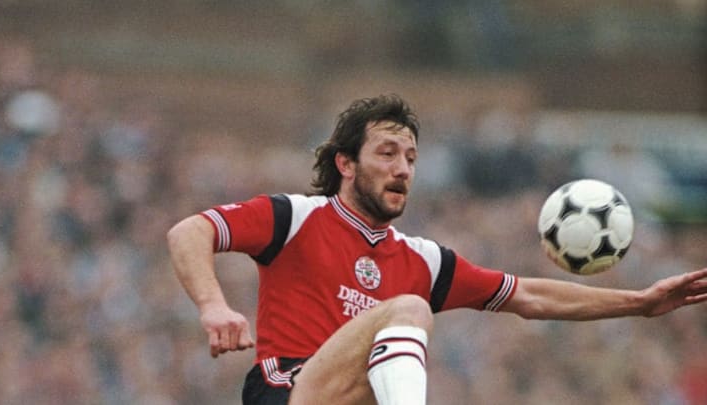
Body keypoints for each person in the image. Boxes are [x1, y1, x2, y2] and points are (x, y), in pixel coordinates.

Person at [167, 94, 707, 405]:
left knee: (409, 311)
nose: (403, 167)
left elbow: (530, 297)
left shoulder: (424, 259)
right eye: (387, 152)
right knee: (410, 310)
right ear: (345, 164)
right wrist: (214, 305)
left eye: (411, 156)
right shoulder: (295, 216)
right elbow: (189, 232)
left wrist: (638, 303)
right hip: (287, 389)